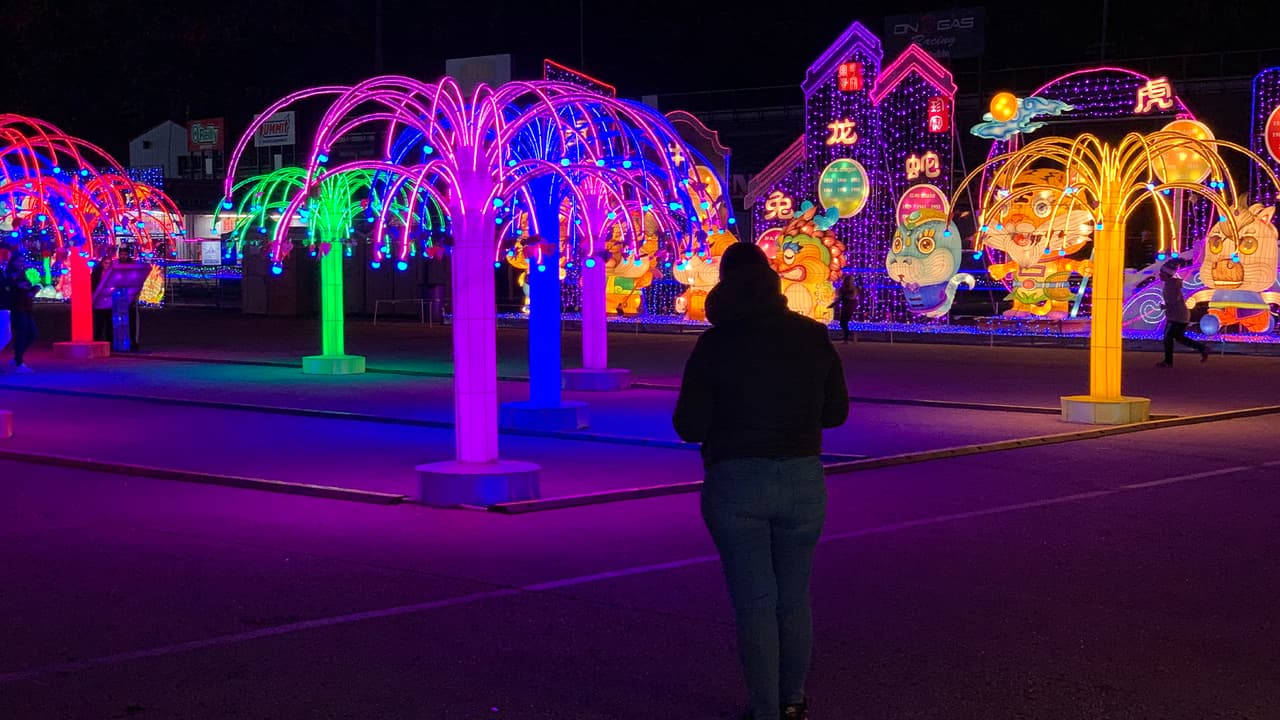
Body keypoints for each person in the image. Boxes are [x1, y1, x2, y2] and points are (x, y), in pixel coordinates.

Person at [674, 242, 849, 720]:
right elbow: (835, 412)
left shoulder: (715, 344)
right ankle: (793, 700)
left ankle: (764, 710)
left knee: (755, 600)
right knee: (794, 596)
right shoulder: (812, 336)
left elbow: (688, 425)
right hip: (802, 477)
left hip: (736, 480)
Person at [1157, 261, 1208, 368]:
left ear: (1167, 275)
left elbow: (1173, 302)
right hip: (1180, 315)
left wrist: (1165, 307)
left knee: (1168, 337)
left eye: (1161, 274)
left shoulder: (1170, 285)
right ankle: (1202, 348)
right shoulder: (1171, 284)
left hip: (1177, 316)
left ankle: (1168, 362)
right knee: (1178, 338)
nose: (1159, 275)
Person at [5, 245, 39, 373]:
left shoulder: (27, 273)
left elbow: (36, 284)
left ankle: (16, 357)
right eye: (18, 261)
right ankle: (18, 361)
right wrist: (17, 286)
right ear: (12, 262)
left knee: (33, 334)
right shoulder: (9, 275)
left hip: (27, 307)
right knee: (21, 334)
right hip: (16, 308)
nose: (21, 263)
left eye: (22, 261)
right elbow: (8, 288)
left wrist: (33, 289)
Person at [830, 274, 858, 343]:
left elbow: (848, 297)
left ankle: (848, 337)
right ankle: (849, 336)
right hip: (846, 307)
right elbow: (840, 298)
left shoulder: (852, 289)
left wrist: (834, 303)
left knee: (843, 323)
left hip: (849, 307)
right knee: (843, 323)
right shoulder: (843, 289)